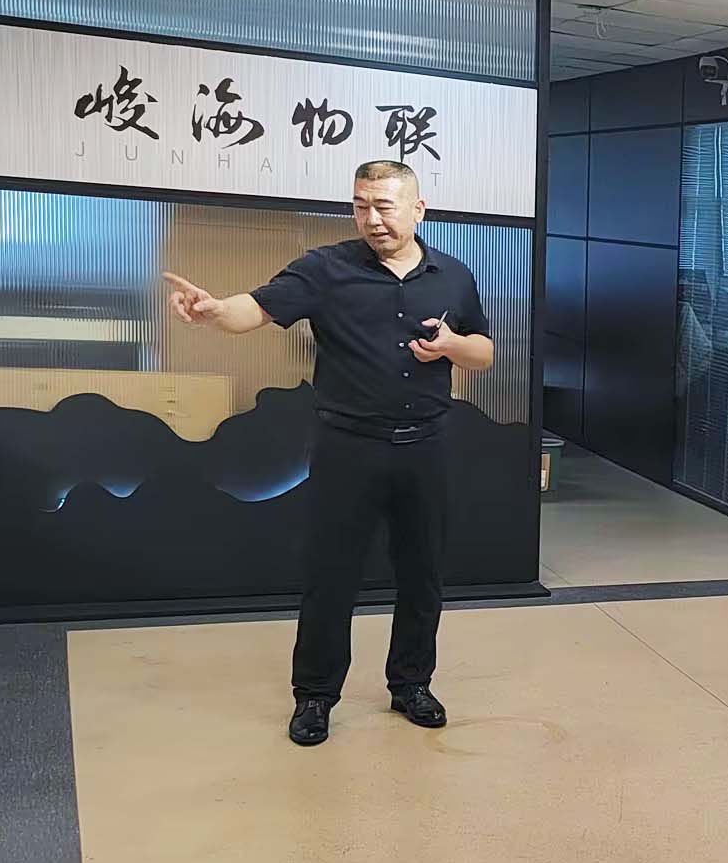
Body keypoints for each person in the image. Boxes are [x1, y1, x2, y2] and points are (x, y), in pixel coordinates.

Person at [161, 160, 495, 747]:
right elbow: (255, 309)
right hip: (348, 447)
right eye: (362, 206)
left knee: (422, 574)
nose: (373, 219)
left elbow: (483, 353)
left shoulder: (454, 276)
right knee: (330, 576)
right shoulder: (325, 268)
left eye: (385, 206)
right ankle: (315, 695)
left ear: (418, 210)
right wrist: (215, 312)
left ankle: (411, 684)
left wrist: (450, 346)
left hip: (425, 446)